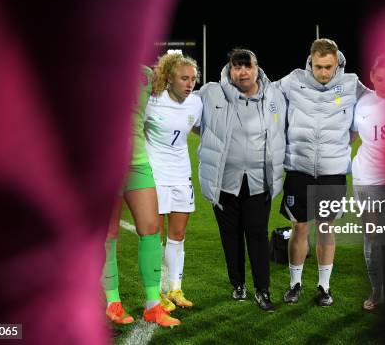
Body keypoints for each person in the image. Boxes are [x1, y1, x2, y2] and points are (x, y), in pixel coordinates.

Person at [277, 38, 369, 306]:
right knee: (300, 226)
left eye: (328, 67)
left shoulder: (352, 83)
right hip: (299, 168)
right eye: (318, 67)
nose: (323, 73)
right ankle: (295, 284)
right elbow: (265, 94)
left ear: (337, 62)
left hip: (332, 171)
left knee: (326, 228)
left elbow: (377, 101)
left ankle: (324, 287)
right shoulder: (294, 80)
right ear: (310, 61)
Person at [196, 49, 286, 312]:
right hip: (224, 180)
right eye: (237, 67)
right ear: (229, 69)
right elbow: (191, 118)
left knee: (257, 236)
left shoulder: (275, 96)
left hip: (259, 180)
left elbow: (284, 128)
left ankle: (263, 290)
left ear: (257, 68)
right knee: (230, 236)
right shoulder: (211, 92)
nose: (242, 72)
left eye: (247, 66)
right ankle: (238, 284)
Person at [102, 66, 181, 328]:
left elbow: (172, 94)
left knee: (150, 228)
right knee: (109, 233)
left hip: (137, 163)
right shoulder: (92, 65)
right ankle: (112, 302)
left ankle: (152, 307)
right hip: (102, 164)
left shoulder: (147, 75)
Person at [144, 52, 202, 310]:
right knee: (154, 237)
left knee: (177, 236)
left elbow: (200, 129)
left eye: (193, 79)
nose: (189, 84)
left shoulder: (196, 104)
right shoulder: (152, 101)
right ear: (169, 78)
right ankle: (156, 292)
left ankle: (175, 289)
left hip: (181, 175)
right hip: (155, 176)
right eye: (184, 78)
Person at [350, 55, 385, 311]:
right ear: (372, 78)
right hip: (368, 177)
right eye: (381, 78)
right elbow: (351, 136)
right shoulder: (363, 102)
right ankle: (377, 291)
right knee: (373, 237)